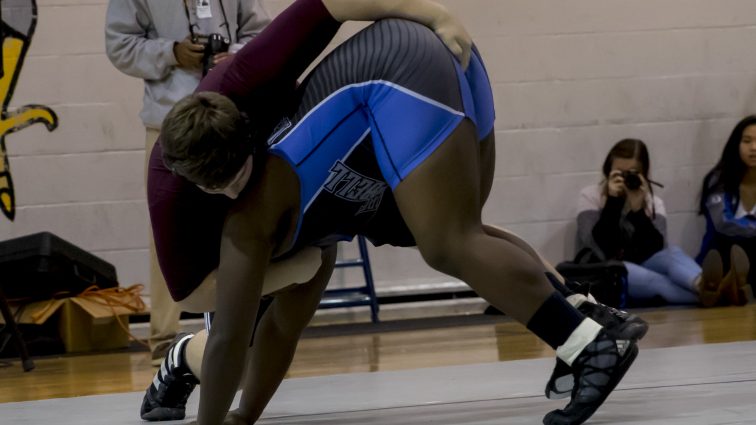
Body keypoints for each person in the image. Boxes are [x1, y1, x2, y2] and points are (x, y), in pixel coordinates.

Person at [149, 1, 644, 424]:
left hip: (403, 66)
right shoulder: (298, 231)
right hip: (432, 69)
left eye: (235, 175)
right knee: (450, 232)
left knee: (448, 242)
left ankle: (588, 345)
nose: (235, 189)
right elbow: (279, 331)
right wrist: (241, 418)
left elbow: (231, 340)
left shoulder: (246, 224)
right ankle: (582, 317)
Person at [104, 0, 270, 365]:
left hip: (230, 115)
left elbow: (262, 32)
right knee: (166, 234)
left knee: (246, 221)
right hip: (169, 122)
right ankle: (163, 340)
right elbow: (119, 45)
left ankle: (253, 329)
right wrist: (171, 53)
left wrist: (236, 55)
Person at [576, 138, 729, 307]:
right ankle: (722, 294)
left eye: (631, 173)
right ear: (608, 171)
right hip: (606, 270)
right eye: (620, 173)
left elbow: (657, 249)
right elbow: (596, 246)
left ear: (643, 175)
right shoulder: (591, 196)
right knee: (651, 278)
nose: (626, 179)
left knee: (673, 253)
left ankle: (702, 284)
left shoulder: (653, 203)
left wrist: (638, 211)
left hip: (644, 264)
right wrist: (613, 202)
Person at [698, 115, 756, 305]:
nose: (754, 148)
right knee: (736, 247)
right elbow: (722, 224)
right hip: (722, 252)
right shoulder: (719, 179)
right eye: (747, 141)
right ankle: (730, 281)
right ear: (736, 144)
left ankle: (734, 286)